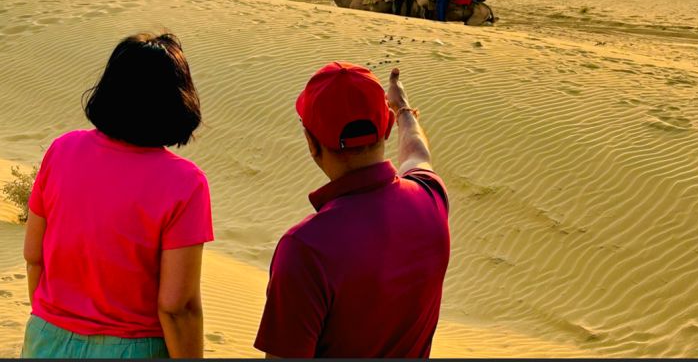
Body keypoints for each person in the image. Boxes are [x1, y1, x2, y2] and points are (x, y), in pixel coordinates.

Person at [22, 33, 213, 359]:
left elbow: (34, 256)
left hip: (46, 337)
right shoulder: (185, 183)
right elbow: (177, 307)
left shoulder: (61, 151)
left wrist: (53, 320)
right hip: (134, 347)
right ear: (178, 98)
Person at [254, 63, 450, 358]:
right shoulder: (431, 197)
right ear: (385, 128)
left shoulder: (305, 248)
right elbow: (418, 153)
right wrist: (403, 110)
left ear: (311, 142)